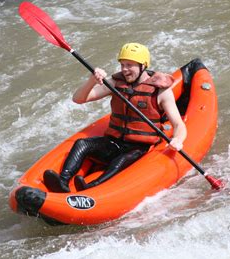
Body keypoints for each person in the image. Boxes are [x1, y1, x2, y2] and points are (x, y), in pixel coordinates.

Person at [43, 43, 187, 192]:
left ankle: (91, 187)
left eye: (129, 65)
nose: (124, 69)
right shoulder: (115, 84)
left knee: (122, 160)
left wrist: (178, 139)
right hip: (114, 142)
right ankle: (63, 181)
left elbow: (178, 124)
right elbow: (79, 99)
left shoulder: (161, 92)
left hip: (138, 148)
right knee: (82, 143)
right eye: (122, 64)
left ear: (143, 65)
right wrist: (92, 80)